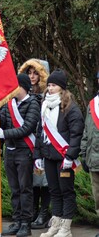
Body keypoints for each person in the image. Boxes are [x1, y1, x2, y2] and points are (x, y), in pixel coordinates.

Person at [34, 69, 84, 237]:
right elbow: (40, 132)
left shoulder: (71, 108)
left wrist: (70, 156)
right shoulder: (45, 105)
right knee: (54, 191)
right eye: (49, 85)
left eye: (54, 85)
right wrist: (38, 155)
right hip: (48, 156)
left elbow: (76, 134)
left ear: (62, 88)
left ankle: (66, 227)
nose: (50, 88)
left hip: (64, 158)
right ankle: (55, 225)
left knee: (66, 191)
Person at [0, 73, 41, 237]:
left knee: (25, 189)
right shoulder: (8, 104)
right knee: (14, 189)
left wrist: (4, 133)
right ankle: (17, 220)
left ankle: (25, 224)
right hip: (11, 151)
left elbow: (27, 128)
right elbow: (4, 123)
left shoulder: (33, 103)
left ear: (22, 87)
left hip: (25, 151)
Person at [19, 58, 51, 229]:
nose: (32, 77)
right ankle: (33, 211)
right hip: (27, 140)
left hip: (43, 140)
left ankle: (44, 214)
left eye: (35, 73)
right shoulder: (25, 93)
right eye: (29, 73)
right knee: (32, 180)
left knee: (43, 179)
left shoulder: (48, 94)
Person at [80, 71, 99, 237]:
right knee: (97, 196)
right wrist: (83, 153)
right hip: (94, 159)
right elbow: (87, 131)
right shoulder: (93, 104)